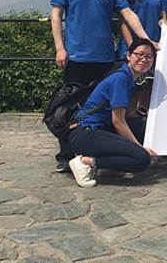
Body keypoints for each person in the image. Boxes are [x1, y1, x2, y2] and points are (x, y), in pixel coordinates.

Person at [50, 0, 159, 172]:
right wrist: (60, 47)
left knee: (105, 108)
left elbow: (128, 14)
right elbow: (56, 14)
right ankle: (66, 155)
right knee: (70, 108)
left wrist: (145, 40)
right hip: (77, 58)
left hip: (105, 58)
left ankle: (99, 151)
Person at [67, 39, 158, 188]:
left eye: (149, 56)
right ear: (128, 55)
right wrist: (140, 148)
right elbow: (118, 122)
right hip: (85, 133)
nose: (144, 59)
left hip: (98, 130)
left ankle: (110, 165)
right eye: (140, 54)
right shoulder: (120, 79)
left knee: (143, 128)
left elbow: (130, 116)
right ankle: (85, 162)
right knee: (142, 159)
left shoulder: (130, 79)